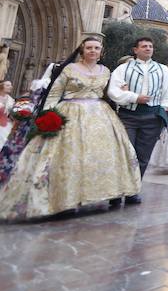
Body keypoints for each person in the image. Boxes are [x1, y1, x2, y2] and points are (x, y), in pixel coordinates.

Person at [0, 38, 140, 220]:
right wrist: (47, 115)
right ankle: (64, 199)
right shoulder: (69, 69)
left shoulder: (106, 71)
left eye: (96, 48)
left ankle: (111, 192)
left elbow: (108, 93)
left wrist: (124, 91)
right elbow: (55, 93)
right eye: (89, 48)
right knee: (68, 156)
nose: (93, 51)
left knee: (103, 154)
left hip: (101, 116)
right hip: (70, 113)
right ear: (82, 50)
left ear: (101, 52)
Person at [107, 36, 168, 204]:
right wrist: (133, 97)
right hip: (128, 115)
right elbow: (113, 91)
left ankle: (133, 191)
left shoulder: (162, 70)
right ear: (135, 49)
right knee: (125, 153)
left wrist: (162, 112)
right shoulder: (123, 68)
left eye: (150, 46)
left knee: (143, 157)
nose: (148, 48)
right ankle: (118, 191)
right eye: (144, 46)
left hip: (152, 117)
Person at [0, 80, 13, 150]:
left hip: (6, 126)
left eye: (10, 85)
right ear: (1, 86)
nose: (10, 87)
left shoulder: (11, 100)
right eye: (7, 85)